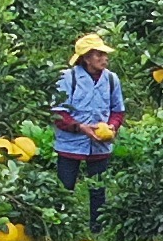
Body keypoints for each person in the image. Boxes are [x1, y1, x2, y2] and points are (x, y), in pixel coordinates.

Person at [53, 32, 131, 224]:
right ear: (86, 58)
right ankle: (61, 225)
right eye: (98, 55)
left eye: (105, 55)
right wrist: (80, 127)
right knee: (65, 188)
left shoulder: (111, 80)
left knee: (98, 189)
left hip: (100, 145)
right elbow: (58, 113)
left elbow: (118, 111)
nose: (104, 59)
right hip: (70, 145)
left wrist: (112, 127)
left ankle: (97, 228)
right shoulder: (68, 78)